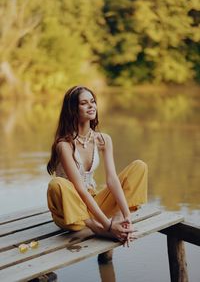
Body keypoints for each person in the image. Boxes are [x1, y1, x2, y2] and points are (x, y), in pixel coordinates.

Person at [47, 86, 148, 247]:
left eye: (93, 102)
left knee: (139, 167)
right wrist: (107, 226)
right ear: (73, 109)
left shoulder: (103, 139)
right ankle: (99, 229)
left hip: (93, 203)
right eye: (84, 103)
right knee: (56, 184)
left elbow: (112, 180)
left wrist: (126, 216)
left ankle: (118, 221)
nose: (91, 106)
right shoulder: (64, 145)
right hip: (71, 212)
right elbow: (79, 188)